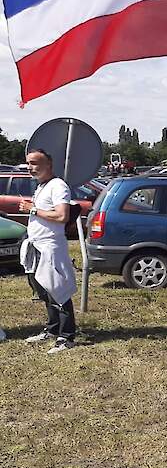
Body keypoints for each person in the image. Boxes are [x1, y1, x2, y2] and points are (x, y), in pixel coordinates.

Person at [19, 149, 78, 354]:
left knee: (58, 289)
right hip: (36, 245)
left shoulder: (58, 186)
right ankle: (53, 329)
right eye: (28, 163)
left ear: (49, 164)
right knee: (43, 289)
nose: (30, 167)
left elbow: (62, 216)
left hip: (51, 246)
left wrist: (32, 209)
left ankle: (67, 336)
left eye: (35, 163)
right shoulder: (41, 186)